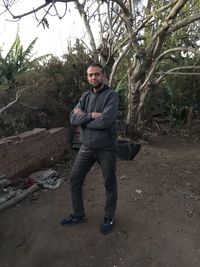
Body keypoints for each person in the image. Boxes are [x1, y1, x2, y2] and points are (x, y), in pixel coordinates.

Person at [60, 62, 119, 234]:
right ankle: (78, 214)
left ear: (104, 76)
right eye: (90, 75)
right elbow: (72, 119)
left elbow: (105, 122)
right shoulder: (85, 97)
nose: (93, 77)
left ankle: (109, 216)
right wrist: (92, 115)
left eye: (96, 74)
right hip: (86, 147)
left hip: (106, 148)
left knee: (110, 183)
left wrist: (83, 121)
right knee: (75, 180)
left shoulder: (112, 96)